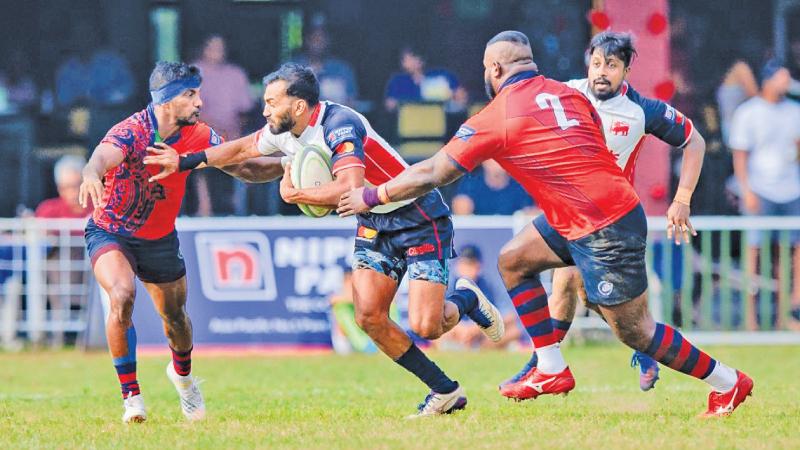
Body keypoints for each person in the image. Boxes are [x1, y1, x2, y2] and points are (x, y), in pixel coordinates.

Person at [337, 30, 752, 417]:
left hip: (604, 224)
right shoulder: (564, 91)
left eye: (487, 69)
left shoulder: (502, 112)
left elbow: (433, 172)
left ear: (495, 70)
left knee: (635, 331)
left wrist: (371, 195)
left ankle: (729, 382)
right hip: (580, 214)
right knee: (514, 260)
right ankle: (550, 366)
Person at [143, 63, 505, 417]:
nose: (264, 109)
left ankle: (466, 298)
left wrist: (296, 195)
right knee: (369, 317)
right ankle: (444, 391)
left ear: (298, 106)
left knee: (429, 325)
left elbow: (351, 188)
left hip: (418, 217)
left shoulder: (339, 124)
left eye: (272, 102)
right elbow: (240, 150)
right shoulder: (284, 130)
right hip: (374, 222)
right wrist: (185, 161)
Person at [501, 31, 708, 395]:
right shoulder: (568, 92)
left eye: (611, 65)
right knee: (568, 286)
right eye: (597, 63)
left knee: (583, 294)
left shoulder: (642, 110)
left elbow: (695, 140)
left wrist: (683, 198)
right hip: (569, 210)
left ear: (626, 69)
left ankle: (558, 364)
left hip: (610, 219)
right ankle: (545, 366)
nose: (602, 72)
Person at [78, 61, 219, 423]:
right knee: (121, 296)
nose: (199, 102)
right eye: (191, 94)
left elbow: (240, 163)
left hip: (158, 239)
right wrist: (91, 174)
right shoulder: (131, 132)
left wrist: (285, 165)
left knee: (175, 318)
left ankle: (184, 380)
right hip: (111, 231)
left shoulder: (200, 135)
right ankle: (132, 399)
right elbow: (99, 158)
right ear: (167, 101)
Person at [730, 60, 800, 330]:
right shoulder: (749, 113)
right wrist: (746, 190)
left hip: (791, 190)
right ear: (768, 80)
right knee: (754, 253)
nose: (786, 83)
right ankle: (751, 319)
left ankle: (789, 314)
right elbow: (740, 156)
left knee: (789, 254)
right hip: (760, 190)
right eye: (782, 78)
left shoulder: (794, 111)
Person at [191, 34, 255, 216]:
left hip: (233, 131)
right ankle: (204, 206)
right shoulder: (194, 72)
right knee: (197, 149)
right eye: (212, 47)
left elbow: (245, 111)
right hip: (202, 129)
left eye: (220, 48)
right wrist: (213, 129)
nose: (216, 52)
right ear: (203, 49)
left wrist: (235, 130)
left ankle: (239, 205)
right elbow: (191, 110)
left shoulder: (236, 74)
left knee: (252, 149)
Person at [35, 155, 94, 347]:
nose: (73, 191)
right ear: (59, 188)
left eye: (78, 184)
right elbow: (40, 237)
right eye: (67, 186)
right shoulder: (48, 209)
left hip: (92, 270)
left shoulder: (99, 205)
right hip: (59, 273)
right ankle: (55, 337)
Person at [439, 245, 522, 349]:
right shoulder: (448, 283)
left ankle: (480, 350)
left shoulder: (487, 284)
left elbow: (510, 316)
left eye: (471, 264)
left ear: (478, 266)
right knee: (436, 331)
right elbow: (436, 314)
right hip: (456, 333)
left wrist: (479, 328)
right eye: (465, 264)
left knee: (514, 330)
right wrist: (459, 329)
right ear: (458, 265)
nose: (467, 269)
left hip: (483, 335)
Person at [384, 47, 468, 113]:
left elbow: (462, 98)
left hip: (442, 124)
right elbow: (390, 105)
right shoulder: (397, 81)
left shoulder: (442, 75)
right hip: (409, 126)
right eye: (404, 59)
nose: (405, 62)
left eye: (409, 58)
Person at [294, 26, 358, 106]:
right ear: (307, 40)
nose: (318, 43)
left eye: (322, 39)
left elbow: (351, 101)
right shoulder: (290, 68)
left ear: (328, 42)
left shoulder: (342, 69)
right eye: (315, 39)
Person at [451, 159, 533, 215]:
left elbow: (529, 214)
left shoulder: (520, 185)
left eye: (499, 159)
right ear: (483, 161)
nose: (496, 163)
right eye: (491, 159)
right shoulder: (471, 182)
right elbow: (460, 213)